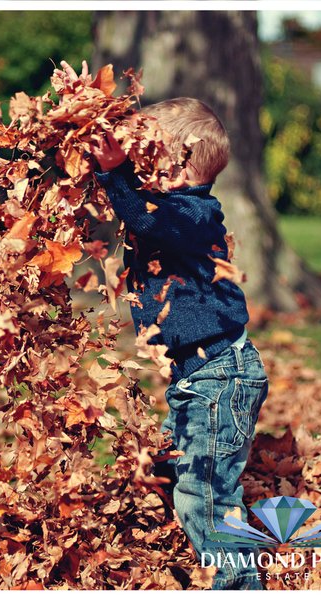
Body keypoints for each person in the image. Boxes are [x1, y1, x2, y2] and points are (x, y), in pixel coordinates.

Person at [85, 84, 270, 588]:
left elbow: (148, 221)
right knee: (171, 470)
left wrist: (113, 174)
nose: (140, 169)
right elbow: (141, 214)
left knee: (205, 497)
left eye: (150, 158)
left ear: (184, 168)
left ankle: (240, 588)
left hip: (219, 378)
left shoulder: (194, 214)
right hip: (197, 380)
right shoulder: (169, 210)